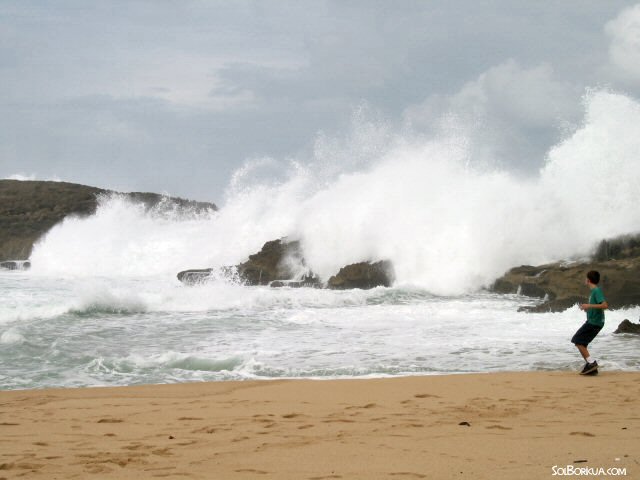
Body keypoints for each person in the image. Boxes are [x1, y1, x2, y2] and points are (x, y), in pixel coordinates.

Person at [571, 270, 608, 375]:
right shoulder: (593, 292)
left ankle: (592, 363)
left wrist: (589, 306)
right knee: (582, 343)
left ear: (588, 280)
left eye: (585, 278)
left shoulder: (596, 291)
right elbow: (597, 307)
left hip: (595, 322)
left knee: (577, 340)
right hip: (592, 321)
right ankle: (591, 367)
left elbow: (605, 305)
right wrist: (587, 308)